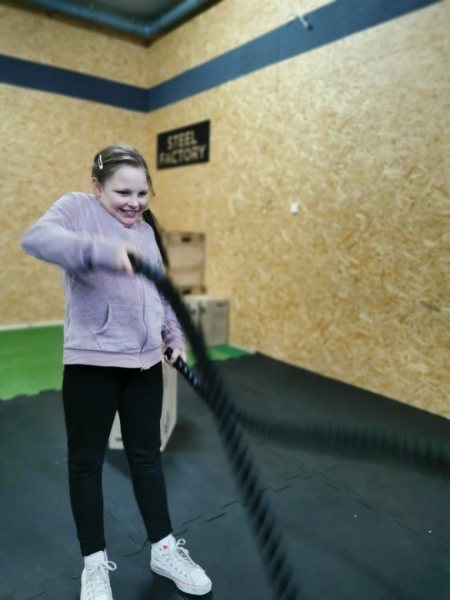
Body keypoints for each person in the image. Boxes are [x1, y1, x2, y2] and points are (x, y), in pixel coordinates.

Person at [21, 144, 212, 599]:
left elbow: (160, 290)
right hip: (92, 365)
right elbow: (36, 239)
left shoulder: (145, 230)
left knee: (147, 458)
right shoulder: (77, 209)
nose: (134, 202)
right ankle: (94, 565)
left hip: (144, 365)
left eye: (142, 193)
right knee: (85, 463)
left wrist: (174, 336)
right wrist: (102, 250)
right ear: (97, 186)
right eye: (123, 192)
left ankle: (163, 551)